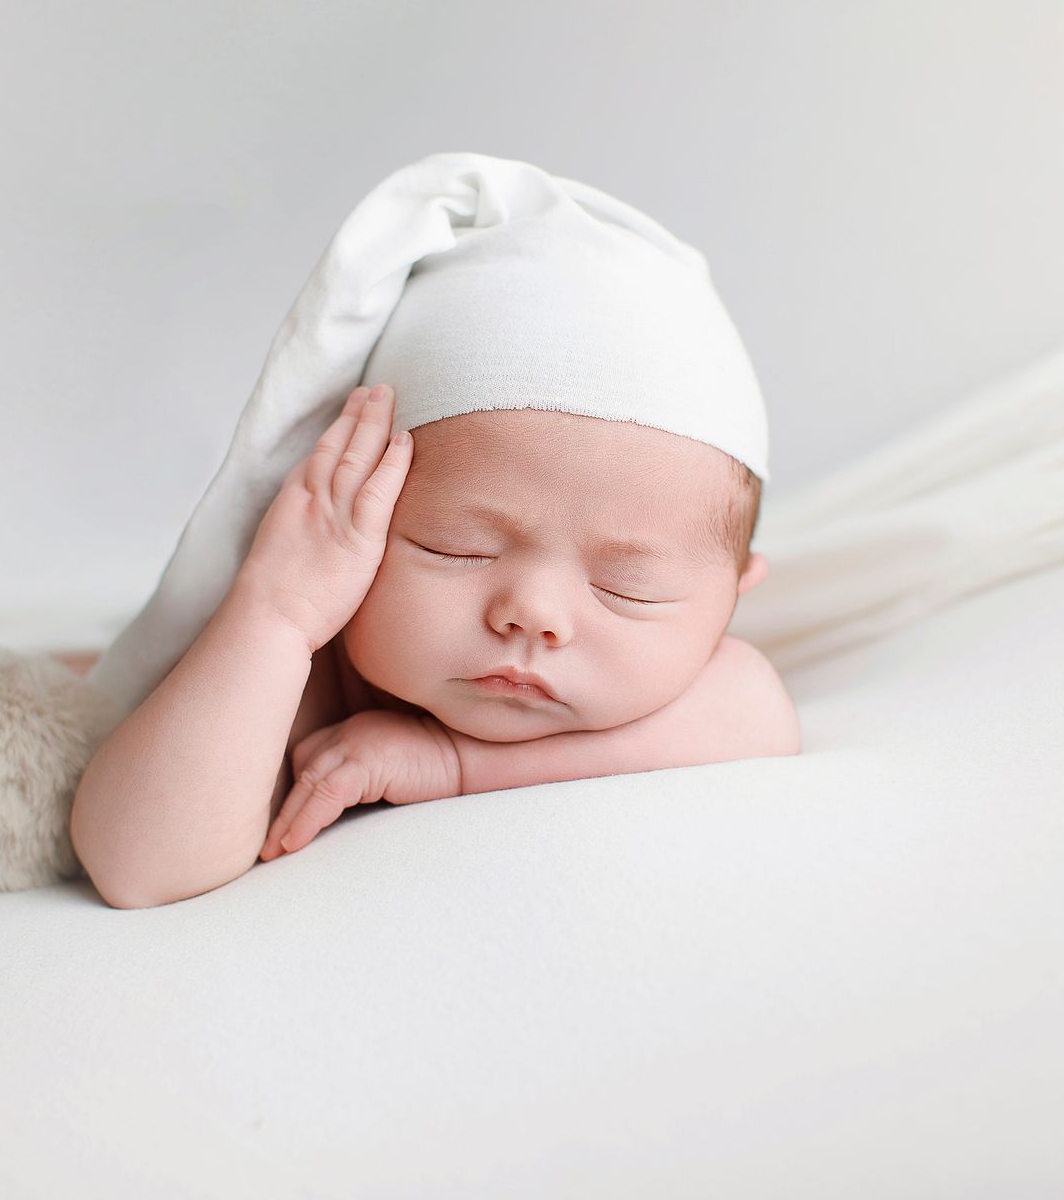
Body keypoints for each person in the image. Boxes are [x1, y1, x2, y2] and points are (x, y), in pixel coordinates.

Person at [67, 382, 798, 910]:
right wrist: (277, 612)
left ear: (732, 599)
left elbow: (756, 712)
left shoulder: (698, 678)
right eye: (459, 547)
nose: (532, 614)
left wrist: (450, 762)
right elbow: (139, 866)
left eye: (626, 588)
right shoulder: (309, 674)